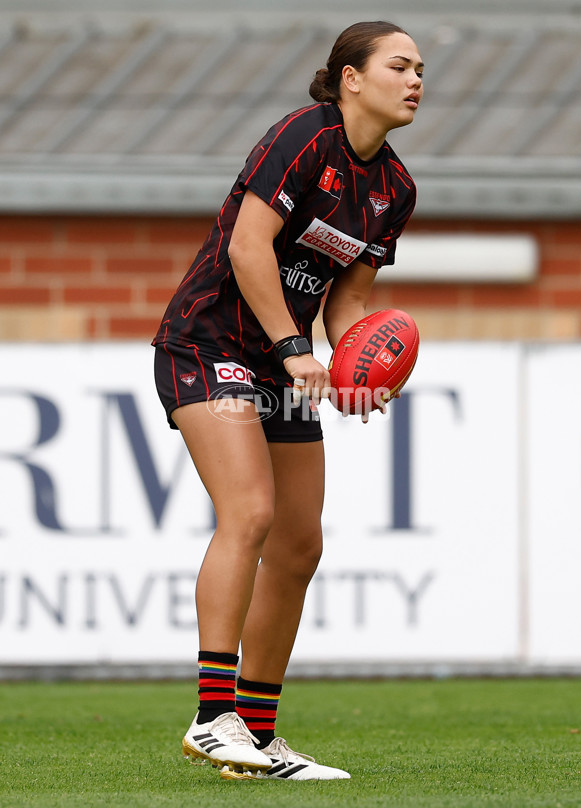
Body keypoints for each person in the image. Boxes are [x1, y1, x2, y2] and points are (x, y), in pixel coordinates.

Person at [152, 20, 423, 781]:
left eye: (421, 70)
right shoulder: (304, 136)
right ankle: (212, 719)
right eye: (398, 66)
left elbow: (351, 300)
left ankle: (259, 736)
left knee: (301, 544)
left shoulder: (395, 189)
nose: (415, 81)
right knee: (251, 514)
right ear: (350, 78)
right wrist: (293, 347)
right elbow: (246, 247)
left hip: (280, 363)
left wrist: (352, 365)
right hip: (208, 346)